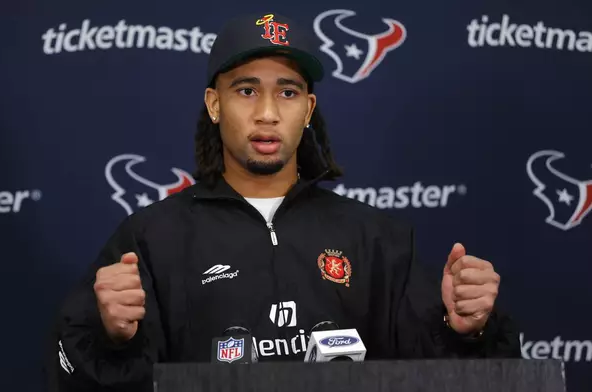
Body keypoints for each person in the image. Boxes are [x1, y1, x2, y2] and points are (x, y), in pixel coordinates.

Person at [46, 12, 520, 392]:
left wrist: (469, 329)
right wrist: (114, 340)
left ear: (308, 109)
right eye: (246, 90)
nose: (268, 113)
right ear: (214, 104)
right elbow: (76, 376)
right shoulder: (150, 238)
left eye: (288, 93)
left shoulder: (377, 238)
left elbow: (441, 376)